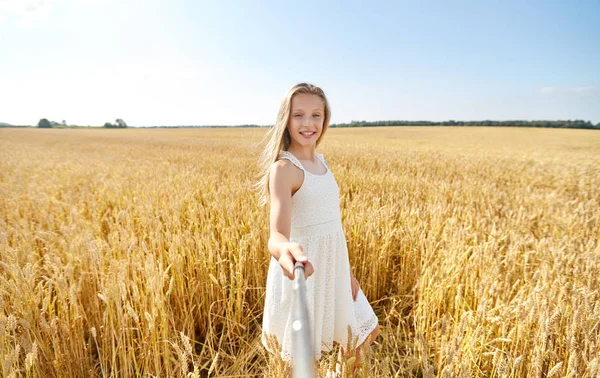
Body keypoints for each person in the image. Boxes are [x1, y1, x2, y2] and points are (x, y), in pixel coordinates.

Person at [258, 82, 379, 373]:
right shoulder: (284, 169)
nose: (308, 123)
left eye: (317, 115)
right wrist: (284, 249)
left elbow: (331, 226)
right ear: (285, 119)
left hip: (333, 269)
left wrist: (346, 272)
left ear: (326, 119)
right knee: (301, 361)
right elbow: (276, 235)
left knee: (365, 334)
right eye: (299, 115)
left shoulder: (321, 164)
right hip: (304, 272)